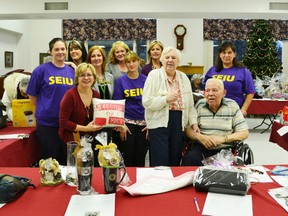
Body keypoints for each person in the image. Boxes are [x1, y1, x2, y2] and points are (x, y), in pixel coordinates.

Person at [142, 46, 198, 166]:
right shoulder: (154, 75)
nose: (170, 60)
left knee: (175, 158)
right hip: (159, 124)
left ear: (178, 61)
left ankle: (174, 184)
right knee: (160, 161)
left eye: (174, 58)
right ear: (162, 60)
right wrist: (166, 99)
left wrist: (193, 122)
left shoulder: (184, 78)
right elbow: (146, 101)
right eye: (167, 57)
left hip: (179, 122)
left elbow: (190, 104)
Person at [26, 37, 75, 165]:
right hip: (47, 124)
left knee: (67, 159)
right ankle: (49, 185)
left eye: (63, 49)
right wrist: (44, 106)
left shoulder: (72, 71)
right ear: (50, 52)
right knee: (50, 160)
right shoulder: (40, 70)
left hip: (67, 123)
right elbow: (32, 94)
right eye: (57, 49)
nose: (60, 52)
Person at [182, 78, 249, 166]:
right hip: (202, 146)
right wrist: (200, 137)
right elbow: (187, 129)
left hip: (224, 148)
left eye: (214, 90)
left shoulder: (232, 106)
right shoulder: (199, 105)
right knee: (190, 158)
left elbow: (244, 133)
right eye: (208, 90)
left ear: (224, 93)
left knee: (224, 167)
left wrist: (223, 139)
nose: (210, 94)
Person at [59, 63, 103, 165]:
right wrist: (86, 128)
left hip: (89, 140)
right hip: (71, 141)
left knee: (87, 168)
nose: (86, 78)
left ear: (94, 78)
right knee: (74, 170)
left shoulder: (96, 94)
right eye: (82, 75)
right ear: (77, 78)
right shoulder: (70, 95)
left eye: (89, 75)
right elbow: (63, 122)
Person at [113, 51, 148, 167]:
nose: (131, 64)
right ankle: (126, 182)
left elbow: (152, 103)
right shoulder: (121, 81)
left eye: (134, 61)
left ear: (138, 62)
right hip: (127, 125)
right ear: (125, 64)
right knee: (127, 156)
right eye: (128, 62)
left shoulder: (146, 80)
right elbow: (118, 104)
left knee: (140, 157)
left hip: (144, 125)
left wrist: (151, 124)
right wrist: (121, 123)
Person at [204, 41, 255, 116]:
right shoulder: (212, 71)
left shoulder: (243, 71)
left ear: (234, 54)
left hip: (235, 112)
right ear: (220, 55)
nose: (226, 55)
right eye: (224, 53)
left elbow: (250, 92)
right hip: (213, 111)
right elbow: (205, 90)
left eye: (229, 52)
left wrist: (243, 109)